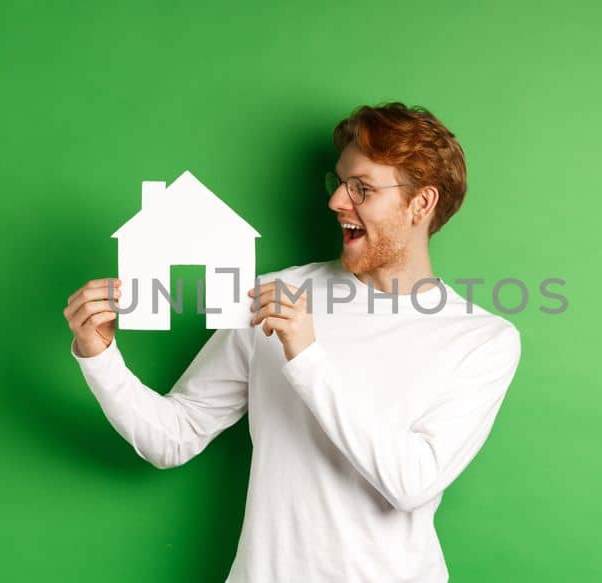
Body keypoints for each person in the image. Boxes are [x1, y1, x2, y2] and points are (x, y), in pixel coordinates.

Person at [63, 102, 521, 582]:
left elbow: (411, 483)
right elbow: (174, 438)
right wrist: (100, 356)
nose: (337, 202)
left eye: (361, 188)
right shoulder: (273, 296)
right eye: (338, 183)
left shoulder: (481, 340)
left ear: (420, 204)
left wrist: (306, 356)